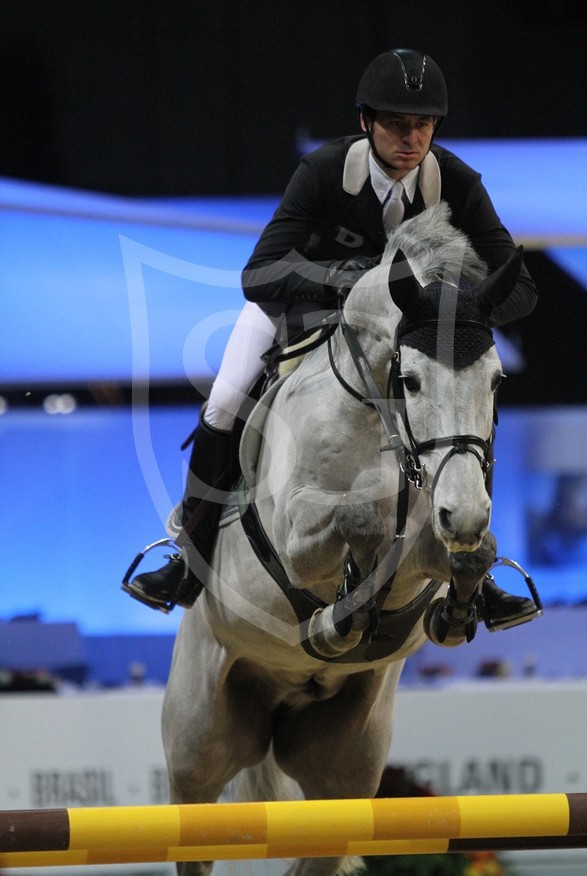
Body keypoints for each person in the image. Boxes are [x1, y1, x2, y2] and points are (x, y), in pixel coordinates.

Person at [124, 47, 539, 630]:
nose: (411, 138)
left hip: (409, 331)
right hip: (300, 314)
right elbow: (258, 273)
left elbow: (520, 289)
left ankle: (476, 568)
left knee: (466, 406)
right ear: (366, 122)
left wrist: (462, 306)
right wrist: (340, 280)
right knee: (223, 403)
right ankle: (188, 559)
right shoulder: (324, 171)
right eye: (396, 124)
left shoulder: (457, 181)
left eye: (423, 125)